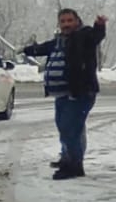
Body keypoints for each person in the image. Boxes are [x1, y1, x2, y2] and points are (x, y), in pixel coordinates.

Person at [23, 9, 107, 180]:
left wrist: (100, 25)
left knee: (71, 130)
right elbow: (42, 48)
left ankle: (74, 167)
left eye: (70, 20)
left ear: (77, 21)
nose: (66, 24)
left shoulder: (83, 36)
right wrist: (26, 50)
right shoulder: (59, 41)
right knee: (64, 128)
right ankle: (67, 158)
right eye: (63, 21)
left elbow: (96, 36)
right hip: (61, 94)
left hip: (80, 93)